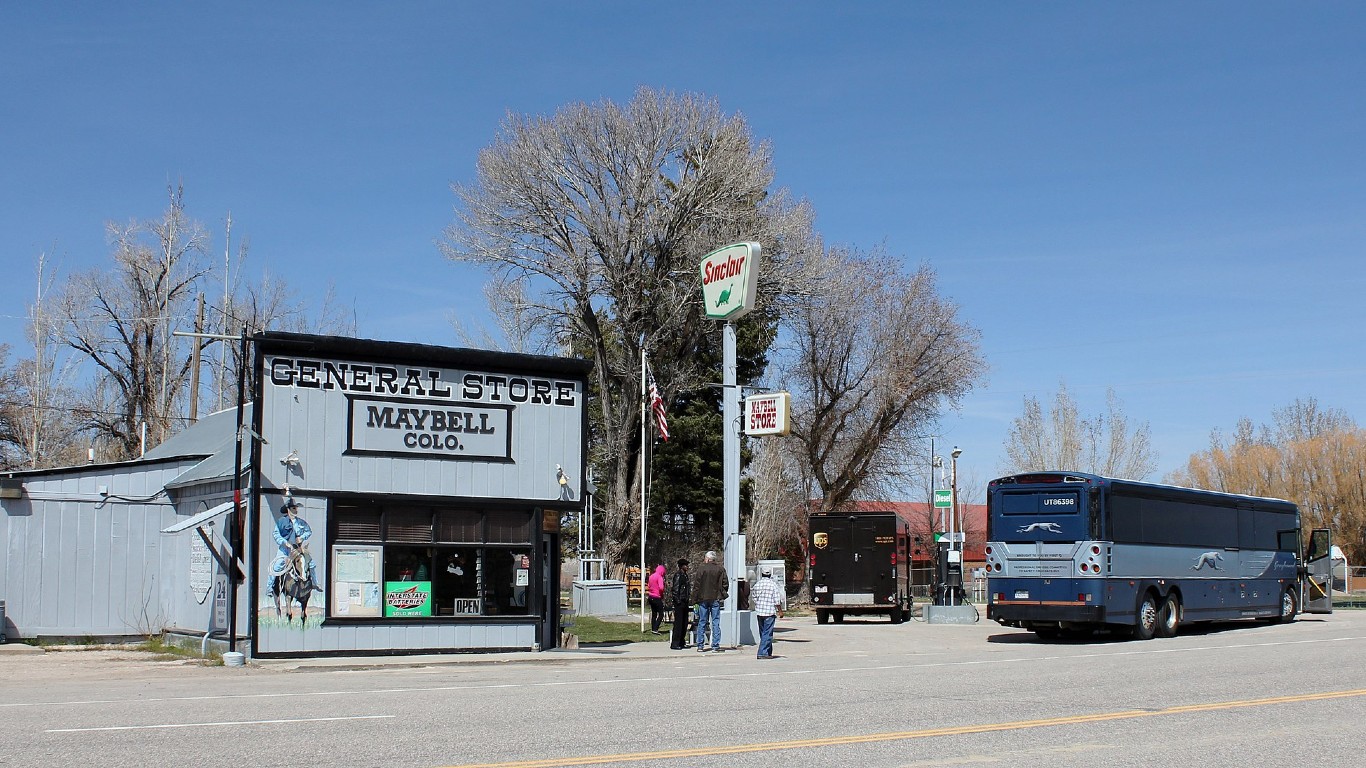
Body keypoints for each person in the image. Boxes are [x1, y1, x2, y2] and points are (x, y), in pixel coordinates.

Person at [690, 550, 728, 652]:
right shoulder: (720, 569)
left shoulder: (701, 569)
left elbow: (697, 585)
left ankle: (700, 645)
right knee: (715, 622)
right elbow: (725, 583)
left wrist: (694, 599)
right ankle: (715, 645)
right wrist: (722, 593)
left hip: (703, 598)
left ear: (707, 559)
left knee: (702, 621)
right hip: (715, 598)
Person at [749, 567, 785, 659]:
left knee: (763, 633)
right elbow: (777, 601)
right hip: (769, 612)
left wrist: (759, 604)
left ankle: (768, 652)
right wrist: (780, 611)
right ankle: (762, 653)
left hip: (760, 612)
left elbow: (754, 597)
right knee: (767, 633)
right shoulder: (773, 585)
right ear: (770, 575)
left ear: (762, 574)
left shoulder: (758, 584)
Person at [668, 558, 691, 650]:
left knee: (684, 623)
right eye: (686, 565)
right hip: (680, 602)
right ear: (682, 566)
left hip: (685, 601)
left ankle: (682, 641)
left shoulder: (685, 575)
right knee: (678, 623)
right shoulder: (678, 575)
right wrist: (677, 601)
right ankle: (675, 642)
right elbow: (675, 590)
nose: (687, 567)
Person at [646, 563, 667, 634]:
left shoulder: (651, 576)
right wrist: (662, 591)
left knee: (654, 614)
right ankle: (656, 628)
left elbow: (648, 585)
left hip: (650, 596)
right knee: (661, 614)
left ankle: (653, 628)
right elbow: (661, 588)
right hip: (657, 597)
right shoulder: (659, 577)